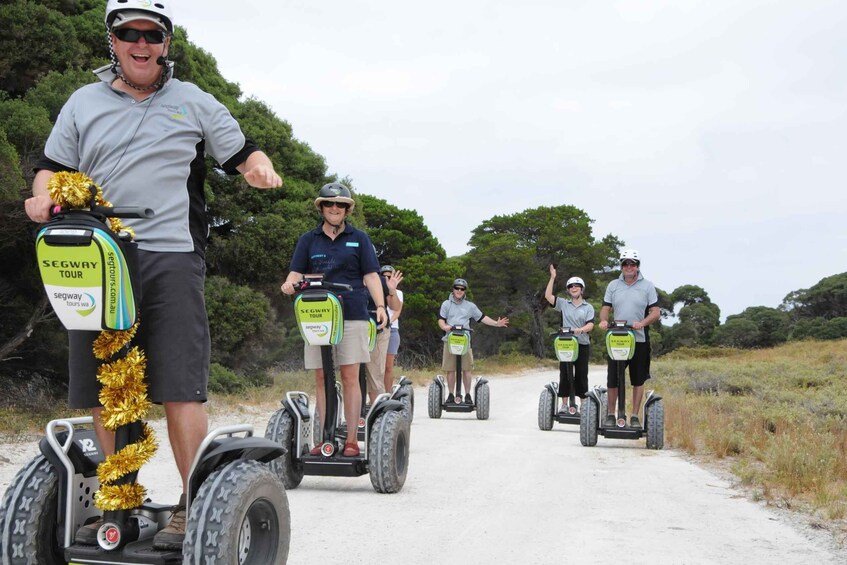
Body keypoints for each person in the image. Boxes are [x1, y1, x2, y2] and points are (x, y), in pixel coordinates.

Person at [23, 0, 283, 550]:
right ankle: (120, 498)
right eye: (129, 34)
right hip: (98, 253)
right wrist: (40, 197)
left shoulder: (193, 100)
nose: (141, 44)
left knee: (179, 385)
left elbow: (242, 151)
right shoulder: (82, 102)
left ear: (166, 43)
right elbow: (50, 167)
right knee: (105, 383)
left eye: (151, 35)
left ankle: (195, 503)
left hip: (170, 252)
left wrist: (259, 168)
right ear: (112, 42)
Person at [281, 183, 387, 458]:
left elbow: (371, 276)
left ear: (347, 209)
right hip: (317, 314)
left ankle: (351, 439)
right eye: (329, 204)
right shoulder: (309, 239)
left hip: (352, 313)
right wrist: (289, 284)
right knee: (321, 376)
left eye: (340, 205)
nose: (334, 208)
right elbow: (296, 272)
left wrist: (380, 305)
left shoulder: (359, 238)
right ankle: (323, 438)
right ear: (322, 208)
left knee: (350, 375)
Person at [598, 249, 660, 429]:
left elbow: (655, 312)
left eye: (632, 264)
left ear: (638, 266)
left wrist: (642, 322)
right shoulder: (613, 285)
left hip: (638, 339)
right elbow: (605, 308)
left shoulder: (647, 286)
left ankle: (634, 416)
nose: (629, 267)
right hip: (617, 338)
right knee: (613, 378)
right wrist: (603, 320)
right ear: (621, 266)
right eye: (625, 263)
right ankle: (611, 414)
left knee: (637, 379)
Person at [437, 278, 509, 404]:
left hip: (465, 341)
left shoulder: (470, 306)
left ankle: (468, 395)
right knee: (450, 369)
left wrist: (496, 323)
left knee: (467, 369)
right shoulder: (446, 304)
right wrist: (444, 327)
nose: (459, 291)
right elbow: (441, 319)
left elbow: (482, 317)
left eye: (462, 289)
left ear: (465, 291)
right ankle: (450, 395)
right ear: (453, 289)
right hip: (450, 340)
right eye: (457, 288)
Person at [544, 265, 595, 412]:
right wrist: (552, 278)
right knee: (565, 373)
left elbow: (590, 324)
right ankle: (564, 404)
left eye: (577, 286)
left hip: (582, 343)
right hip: (566, 344)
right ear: (568, 289)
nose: (574, 288)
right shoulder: (563, 304)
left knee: (581, 374)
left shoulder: (588, 307)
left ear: (582, 289)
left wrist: (581, 330)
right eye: (571, 286)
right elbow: (548, 296)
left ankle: (584, 405)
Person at [363, 264, 401, 402]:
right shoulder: (347, 277)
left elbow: (395, 307)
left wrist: (392, 291)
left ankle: (378, 412)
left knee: (375, 375)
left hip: (378, 330)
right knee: (352, 375)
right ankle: (355, 415)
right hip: (354, 329)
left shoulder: (379, 280)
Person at [381, 265, 404, 393]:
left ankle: (388, 392)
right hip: (378, 329)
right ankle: (374, 394)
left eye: (389, 276)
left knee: (388, 366)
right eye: (384, 276)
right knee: (375, 366)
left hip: (392, 329)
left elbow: (397, 311)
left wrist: (388, 322)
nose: (386, 278)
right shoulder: (376, 291)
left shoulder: (398, 293)